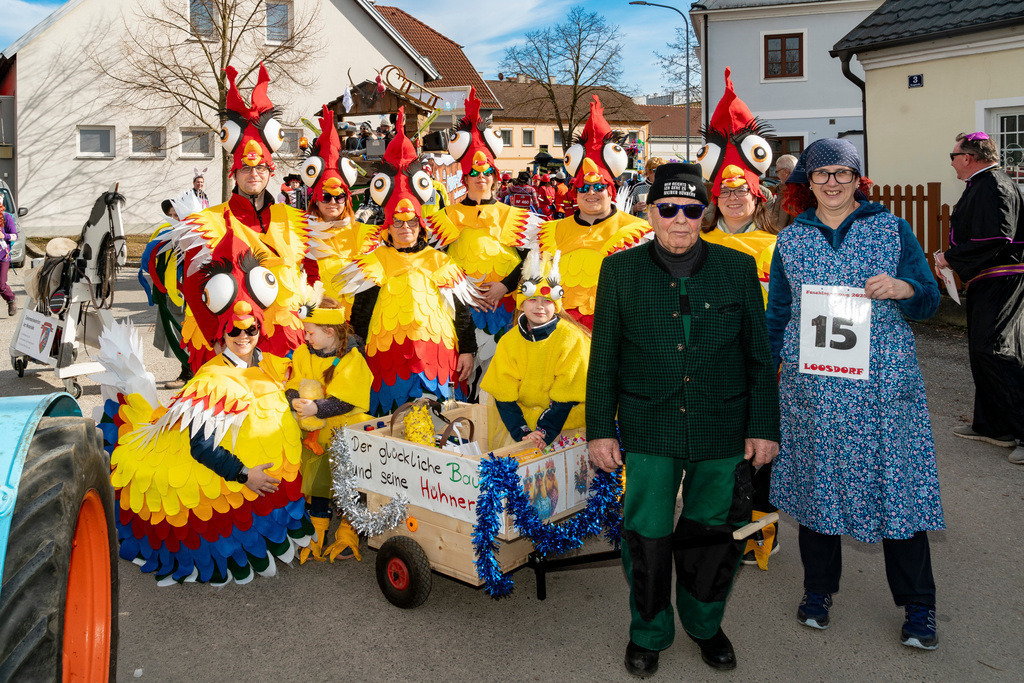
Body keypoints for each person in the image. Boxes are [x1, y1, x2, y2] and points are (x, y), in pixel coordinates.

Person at [587, 161, 779, 676]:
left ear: (704, 214)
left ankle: (704, 624)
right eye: (667, 209)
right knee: (646, 536)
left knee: (713, 536)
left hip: (721, 425)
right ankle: (649, 631)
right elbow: (603, 356)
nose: (679, 220)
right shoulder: (619, 271)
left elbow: (758, 356)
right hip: (651, 424)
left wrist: (763, 425)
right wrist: (601, 427)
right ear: (649, 212)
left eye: (691, 210)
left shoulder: (736, 269)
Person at [766, 138, 944, 650]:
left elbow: (930, 298)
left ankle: (919, 608)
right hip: (815, 392)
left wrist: (906, 289)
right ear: (807, 183)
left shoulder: (890, 229)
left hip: (883, 390)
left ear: (857, 178)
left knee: (898, 493)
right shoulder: (791, 240)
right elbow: (778, 316)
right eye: (821, 175)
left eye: (842, 173)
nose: (832, 182)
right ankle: (818, 592)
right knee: (819, 489)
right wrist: (769, 374)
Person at [105, 231, 313, 585]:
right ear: (221, 336)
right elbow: (201, 448)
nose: (244, 335)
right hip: (226, 481)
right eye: (235, 330)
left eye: (250, 329)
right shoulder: (213, 380)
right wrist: (247, 475)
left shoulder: (269, 365)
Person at [340, 108, 479, 415]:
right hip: (388, 361)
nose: (405, 229)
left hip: (436, 360)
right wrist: (357, 350)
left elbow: (462, 313)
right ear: (387, 225)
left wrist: (468, 349)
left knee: (439, 423)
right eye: (398, 223)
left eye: (411, 222)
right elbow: (362, 311)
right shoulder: (374, 261)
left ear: (421, 224)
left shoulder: (440, 261)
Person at [696, 71, 781, 567]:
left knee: (762, 451)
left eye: (741, 190)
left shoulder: (780, 247)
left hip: (762, 364)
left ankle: (759, 534)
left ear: (757, 194)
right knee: (718, 450)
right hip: (709, 365)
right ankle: (720, 524)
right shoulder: (698, 245)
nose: (732, 197)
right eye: (725, 191)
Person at [178, 63, 307, 372]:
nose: (254, 174)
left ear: (270, 171)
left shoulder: (292, 219)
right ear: (233, 172)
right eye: (246, 168)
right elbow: (193, 286)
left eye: (260, 168)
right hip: (231, 341)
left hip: (283, 343)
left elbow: (309, 277)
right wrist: (216, 336)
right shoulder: (208, 221)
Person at [427, 88, 541, 398]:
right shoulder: (446, 216)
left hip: (506, 310)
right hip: (461, 313)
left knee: (500, 384)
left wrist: (504, 285)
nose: (481, 178)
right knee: (463, 384)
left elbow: (535, 258)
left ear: (495, 177)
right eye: (474, 173)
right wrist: (462, 290)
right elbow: (432, 263)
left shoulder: (514, 216)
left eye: (487, 172)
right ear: (464, 178)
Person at [935, 131, 1024, 464]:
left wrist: (950, 259)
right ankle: (994, 425)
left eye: (953, 156)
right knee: (982, 351)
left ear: (968, 158)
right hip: (991, 280)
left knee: (997, 351)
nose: (953, 163)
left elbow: (997, 237)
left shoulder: (992, 185)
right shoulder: (985, 184)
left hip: (1002, 280)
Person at [537, 95, 652, 330]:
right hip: (561, 333)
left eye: (599, 187)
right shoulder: (550, 232)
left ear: (611, 190)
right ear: (575, 193)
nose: (591, 193)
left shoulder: (639, 232)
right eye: (584, 188)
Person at [286, 295, 373, 563]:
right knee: (317, 482)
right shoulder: (303, 353)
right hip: (315, 433)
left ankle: (349, 532)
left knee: (350, 482)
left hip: (345, 432)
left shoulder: (352, 359)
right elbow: (293, 383)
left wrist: (316, 409)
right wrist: (294, 398)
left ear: (329, 331)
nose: (306, 337)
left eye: (310, 332)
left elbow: (346, 400)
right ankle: (317, 532)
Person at [480, 249, 589, 449]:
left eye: (547, 301)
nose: (540, 307)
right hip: (523, 426)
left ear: (556, 304)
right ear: (521, 304)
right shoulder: (508, 341)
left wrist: (544, 432)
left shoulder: (572, 339)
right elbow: (503, 395)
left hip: (565, 425)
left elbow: (567, 395)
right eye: (532, 300)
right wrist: (522, 432)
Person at [301, 105, 380, 308]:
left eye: (339, 197)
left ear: (347, 198)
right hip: (314, 320)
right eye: (326, 196)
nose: (333, 202)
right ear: (316, 199)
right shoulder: (300, 232)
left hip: (353, 320)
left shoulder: (362, 232)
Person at [769, 154, 797, 230]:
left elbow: (780, 222)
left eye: (777, 171)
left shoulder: (788, 191)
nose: (777, 175)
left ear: (786, 172)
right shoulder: (801, 188)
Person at [0, 204, 18, 316]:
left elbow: (15, 236)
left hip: (3, 256)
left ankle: (11, 299)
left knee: (1, 284)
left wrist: (4, 236)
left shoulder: (7, 217)